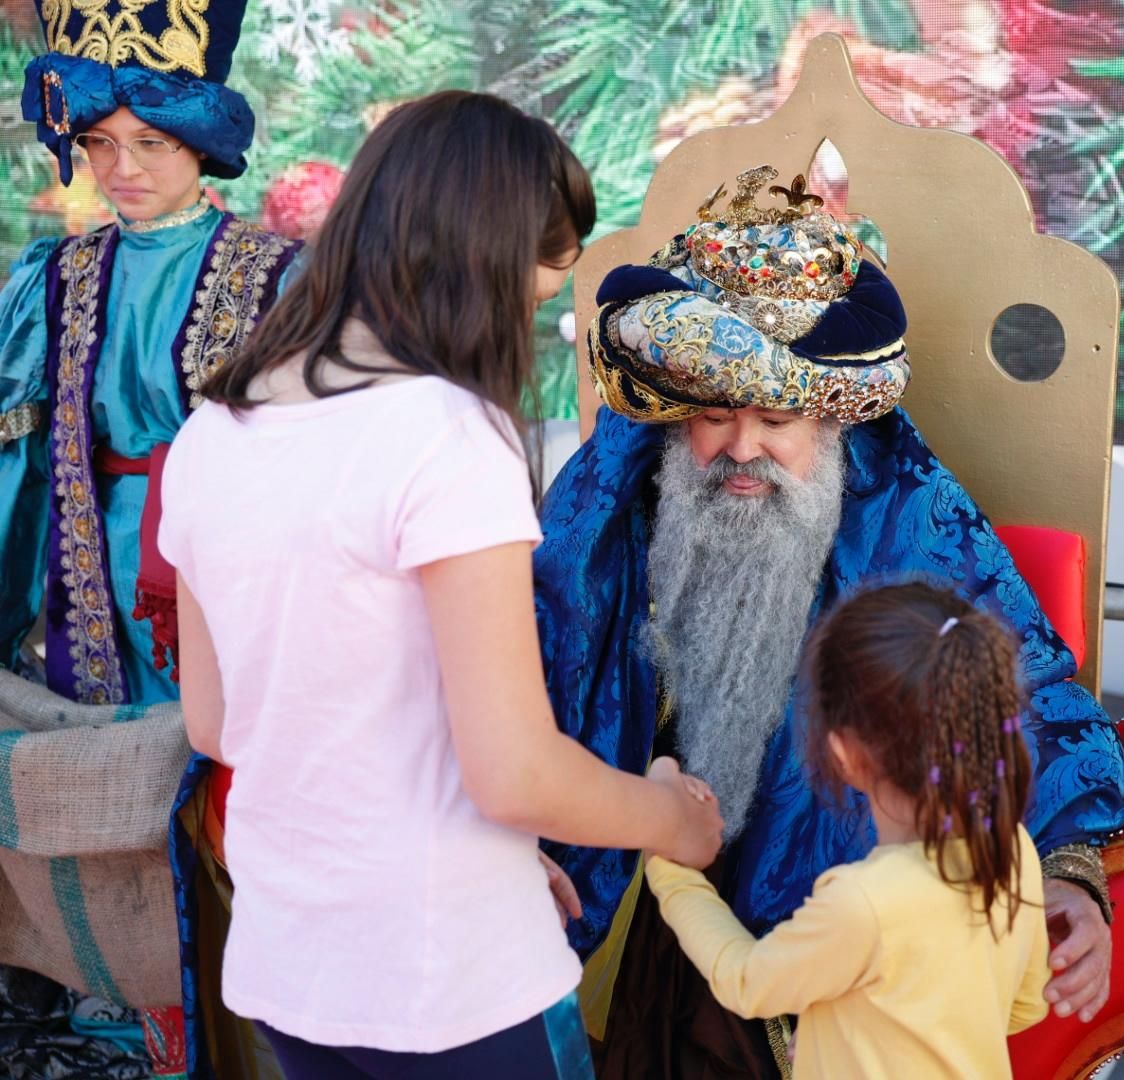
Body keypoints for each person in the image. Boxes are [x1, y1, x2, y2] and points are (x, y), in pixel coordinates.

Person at [156, 91, 723, 1080]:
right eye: (536, 292)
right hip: (452, 987)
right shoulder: (442, 435)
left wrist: (488, 859)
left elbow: (214, 721)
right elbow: (513, 772)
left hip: (291, 973)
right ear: (490, 261)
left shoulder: (212, 433)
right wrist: (671, 814)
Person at [535, 165, 1124, 1077]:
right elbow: (527, 661)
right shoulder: (614, 494)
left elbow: (1022, 693)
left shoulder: (903, 510)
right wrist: (499, 842)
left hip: (819, 923)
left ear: (833, 421)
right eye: (715, 417)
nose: (743, 450)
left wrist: (1074, 875)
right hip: (642, 887)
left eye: (777, 417)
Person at [1, 3, 300, 1075]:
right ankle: (124, 999)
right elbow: (15, 458)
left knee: (223, 783)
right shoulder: (55, 278)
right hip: (90, 561)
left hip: (220, 571)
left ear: (204, 144)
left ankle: (232, 1000)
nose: (118, 168)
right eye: (97, 144)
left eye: (151, 143)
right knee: (106, 774)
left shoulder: (281, 277)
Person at [647, 582, 1052, 1080]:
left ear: (844, 753)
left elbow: (747, 981)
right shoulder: (1014, 849)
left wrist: (668, 868)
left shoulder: (861, 903)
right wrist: (841, 1028)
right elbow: (1021, 1008)